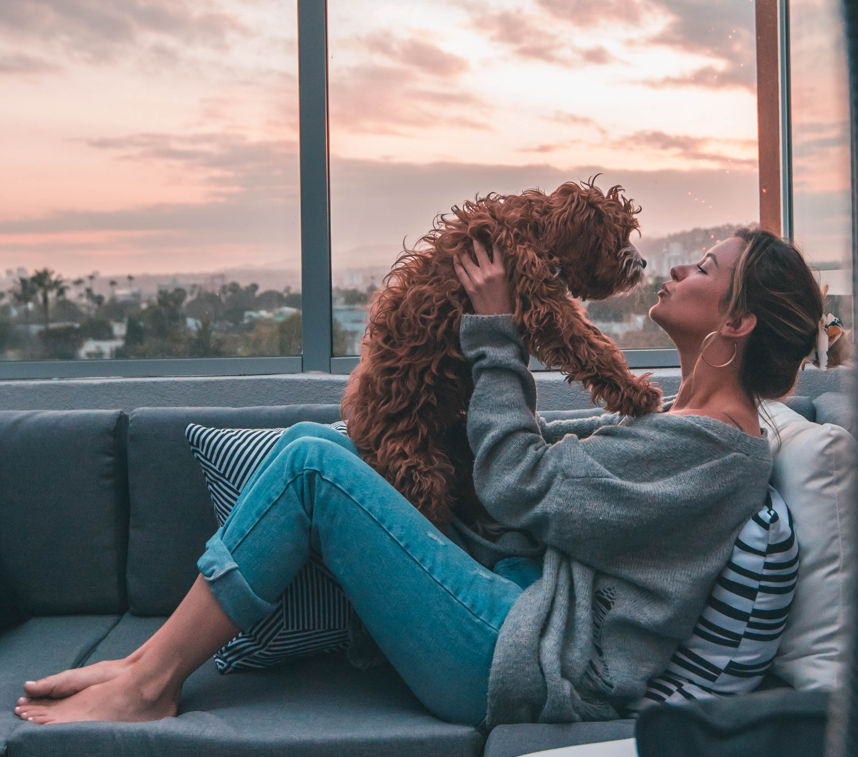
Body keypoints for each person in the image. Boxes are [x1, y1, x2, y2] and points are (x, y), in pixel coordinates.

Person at [14, 228, 824, 728]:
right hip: (516, 597)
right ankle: (139, 663)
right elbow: (561, 484)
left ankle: (150, 682)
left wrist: (494, 332)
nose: (680, 267)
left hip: (513, 658)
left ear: (736, 321)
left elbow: (521, 487)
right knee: (310, 437)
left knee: (307, 467)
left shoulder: (714, 453)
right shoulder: (687, 427)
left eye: (707, 268)